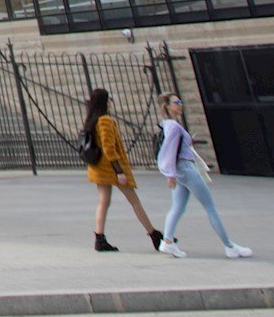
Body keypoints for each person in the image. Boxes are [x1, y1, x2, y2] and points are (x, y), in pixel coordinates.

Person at [157, 91, 251, 259]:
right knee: (210, 207)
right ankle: (229, 246)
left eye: (180, 101)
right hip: (185, 168)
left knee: (178, 207)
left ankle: (168, 241)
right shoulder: (173, 126)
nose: (180, 104)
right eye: (176, 102)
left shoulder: (171, 125)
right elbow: (168, 151)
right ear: (168, 106)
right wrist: (169, 174)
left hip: (181, 170)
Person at [82, 87, 162, 253]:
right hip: (111, 168)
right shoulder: (104, 120)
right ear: (106, 102)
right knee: (134, 201)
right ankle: (153, 234)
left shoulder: (91, 120)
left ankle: (99, 238)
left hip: (98, 168)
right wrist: (119, 171)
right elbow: (109, 148)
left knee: (103, 202)